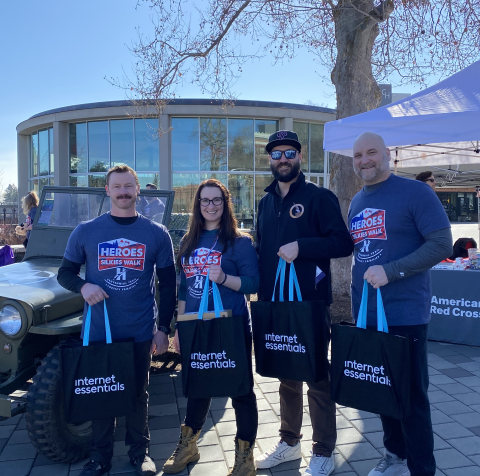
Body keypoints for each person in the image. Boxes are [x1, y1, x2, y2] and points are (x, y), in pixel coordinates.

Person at [57, 165, 176, 476]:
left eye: (128, 186)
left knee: (138, 393)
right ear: (107, 191)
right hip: (100, 330)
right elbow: (65, 273)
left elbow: (169, 284)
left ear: (138, 190)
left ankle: (141, 454)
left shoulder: (156, 233)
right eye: (117, 186)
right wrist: (83, 286)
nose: (123, 192)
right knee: (101, 395)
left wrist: (163, 329)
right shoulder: (86, 231)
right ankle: (99, 458)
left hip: (139, 330)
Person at [349, 132, 452, 476]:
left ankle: (422, 469)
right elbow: (362, 258)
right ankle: (395, 453)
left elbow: (441, 244)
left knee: (412, 399)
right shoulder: (357, 201)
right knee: (381, 391)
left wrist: (391, 272)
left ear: (388, 154)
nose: (365, 159)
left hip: (405, 314)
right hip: (369, 315)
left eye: (371, 152)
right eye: (358, 154)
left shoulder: (416, 192)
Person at [255, 131, 354, 476]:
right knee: (286, 374)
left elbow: (343, 243)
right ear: (270, 160)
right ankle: (289, 441)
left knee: (315, 375)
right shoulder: (264, 202)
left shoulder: (318, 197)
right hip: (274, 304)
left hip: (309, 303)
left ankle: (324, 449)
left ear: (299, 157)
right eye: (276, 154)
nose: (282, 159)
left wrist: (303, 246)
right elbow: (261, 249)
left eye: (289, 152)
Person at [164, 179, 259, 476]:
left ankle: (244, 457)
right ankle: (188, 446)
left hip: (231, 325)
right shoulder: (188, 242)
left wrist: (224, 279)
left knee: (241, 391)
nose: (210, 206)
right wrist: (179, 328)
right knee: (197, 387)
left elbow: (254, 284)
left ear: (225, 202)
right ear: (197, 205)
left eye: (216, 200)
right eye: (205, 201)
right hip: (195, 326)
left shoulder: (240, 242)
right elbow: (183, 289)